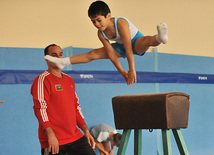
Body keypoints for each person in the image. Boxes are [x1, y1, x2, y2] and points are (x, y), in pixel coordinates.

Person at [44, 0, 168, 86]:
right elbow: (111, 54)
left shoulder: (121, 23)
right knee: (92, 54)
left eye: (99, 20)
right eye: (93, 22)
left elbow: (129, 48)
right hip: (120, 47)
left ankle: (159, 38)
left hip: (134, 42)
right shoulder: (101, 33)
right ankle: (64, 62)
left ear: (108, 16)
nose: (97, 24)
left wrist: (131, 69)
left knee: (146, 41)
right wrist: (122, 72)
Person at [31, 44, 96, 155]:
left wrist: (85, 130)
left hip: (75, 137)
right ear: (47, 59)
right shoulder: (42, 80)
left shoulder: (69, 80)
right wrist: (51, 135)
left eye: (61, 55)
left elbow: (76, 107)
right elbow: (40, 109)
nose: (59, 58)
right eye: (54, 55)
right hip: (54, 140)